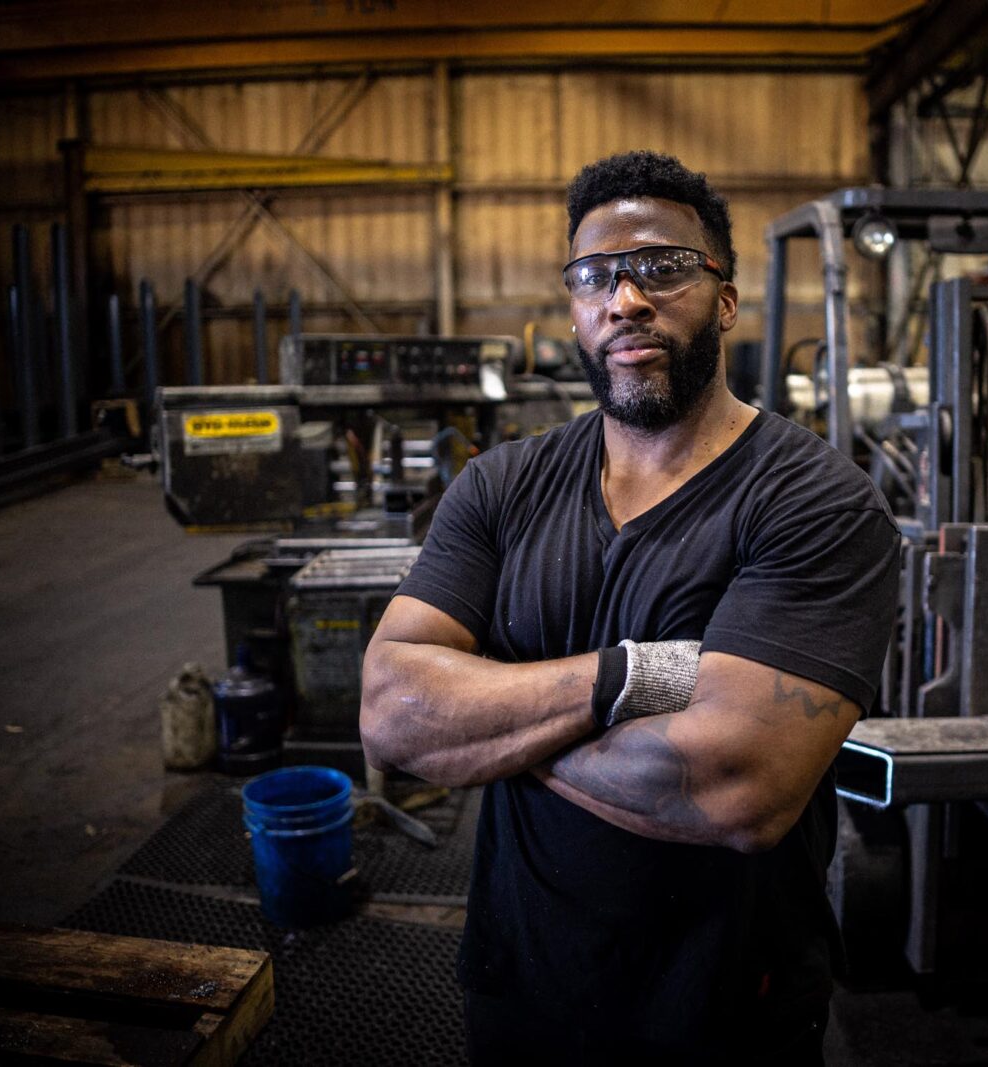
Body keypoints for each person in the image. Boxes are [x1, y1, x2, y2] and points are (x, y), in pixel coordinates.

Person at [361, 150, 899, 1064]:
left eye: (662, 267)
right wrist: (635, 674)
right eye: (594, 276)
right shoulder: (500, 486)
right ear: (573, 308)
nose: (626, 298)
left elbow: (739, 786)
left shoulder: (817, 502)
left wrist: (488, 728)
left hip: (728, 1010)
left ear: (724, 299)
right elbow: (390, 714)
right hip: (520, 988)